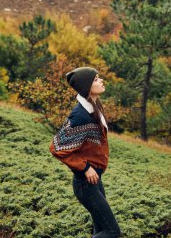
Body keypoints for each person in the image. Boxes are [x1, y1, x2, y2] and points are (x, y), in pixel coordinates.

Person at [49, 67, 121, 238]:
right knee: (112, 232)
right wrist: (85, 168)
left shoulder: (94, 107)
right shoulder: (80, 115)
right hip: (85, 183)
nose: (101, 80)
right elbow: (57, 147)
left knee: (101, 230)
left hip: (95, 179)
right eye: (96, 79)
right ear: (86, 86)